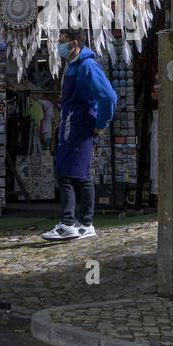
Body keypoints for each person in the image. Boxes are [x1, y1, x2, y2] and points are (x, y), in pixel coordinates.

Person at [42, 28, 117, 241]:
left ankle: (69, 223)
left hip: (80, 123)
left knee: (65, 172)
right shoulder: (74, 65)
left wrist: (100, 125)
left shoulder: (87, 65)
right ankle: (85, 223)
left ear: (74, 44)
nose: (59, 46)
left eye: (62, 42)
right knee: (79, 173)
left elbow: (109, 97)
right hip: (73, 121)